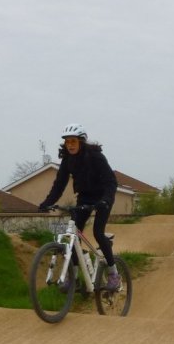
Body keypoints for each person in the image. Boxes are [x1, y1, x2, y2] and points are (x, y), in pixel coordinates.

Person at [38, 123, 122, 290]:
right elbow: (59, 184)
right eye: (67, 142)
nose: (70, 145)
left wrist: (105, 200)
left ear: (81, 142)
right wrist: (47, 202)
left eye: (73, 141)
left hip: (103, 197)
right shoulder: (68, 160)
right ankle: (74, 278)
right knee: (73, 236)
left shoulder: (96, 157)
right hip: (84, 197)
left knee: (98, 233)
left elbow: (111, 182)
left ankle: (114, 274)